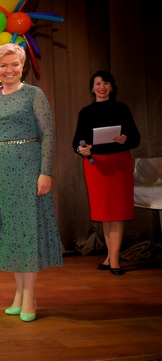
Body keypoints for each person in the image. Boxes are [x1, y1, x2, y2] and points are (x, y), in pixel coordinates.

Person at [0, 43, 63, 322]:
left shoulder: (34, 94)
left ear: (22, 66)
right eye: (3, 65)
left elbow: (48, 134)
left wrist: (45, 171)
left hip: (30, 169)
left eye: (14, 64)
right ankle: (18, 292)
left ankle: (30, 294)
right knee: (13, 234)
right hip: (2, 173)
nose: (9, 70)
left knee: (29, 231)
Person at [72, 70, 140, 276]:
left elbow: (136, 139)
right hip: (96, 166)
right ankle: (110, 256)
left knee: (116, 212)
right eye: (98, 84)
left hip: (119, 163)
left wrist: (125, 139)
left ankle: (115, 258)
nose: (102, 87)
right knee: (105, 213)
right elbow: (77, 142)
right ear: (92, 89)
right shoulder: (86, 112)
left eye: (106, 83)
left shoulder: (122, 108)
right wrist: (82, 149)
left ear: (111, 87)